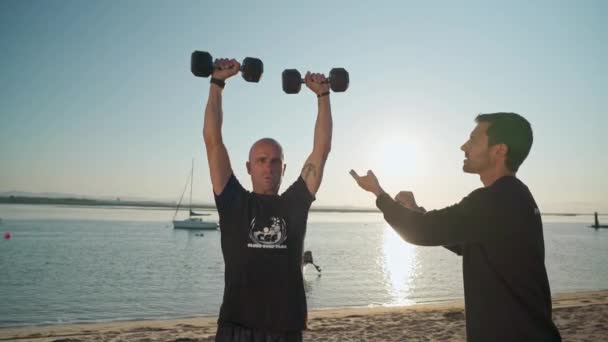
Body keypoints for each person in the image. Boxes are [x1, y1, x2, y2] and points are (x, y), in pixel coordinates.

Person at [351, 113, 561, 341]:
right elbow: (459, 237)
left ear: (499, 150)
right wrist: (415, 211)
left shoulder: (495, 199)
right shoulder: (515, 196)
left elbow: (422, 231)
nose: (464, 146)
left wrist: (379, 194)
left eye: (473, 140)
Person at [203, 57, 333, 342]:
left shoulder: (294, 203)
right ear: (248, 167)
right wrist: (217, 82)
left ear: (284, 169)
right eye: (261, 160)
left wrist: (323, 95)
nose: (268, 167)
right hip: (236, 329)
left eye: (275, 162)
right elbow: (213, 141)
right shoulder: (232, 200)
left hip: (285, 331)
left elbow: (321, 150)